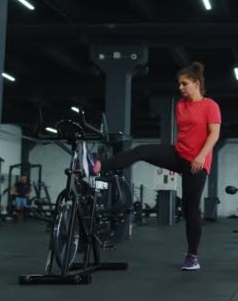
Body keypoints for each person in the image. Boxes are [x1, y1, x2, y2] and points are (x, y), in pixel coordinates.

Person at [92, 61, 221, 271]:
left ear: (196, 83)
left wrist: (200, 156)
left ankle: (192, 256)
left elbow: (214, 134)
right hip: (178, 154)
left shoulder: (210, 106)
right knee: (141, 151)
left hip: (197, 163)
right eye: (179, 84)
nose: (180, 88)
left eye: (184, 83)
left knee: (190, 209)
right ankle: (100, 166)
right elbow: (185, 136)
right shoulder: (180, 105)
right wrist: (174, 157)